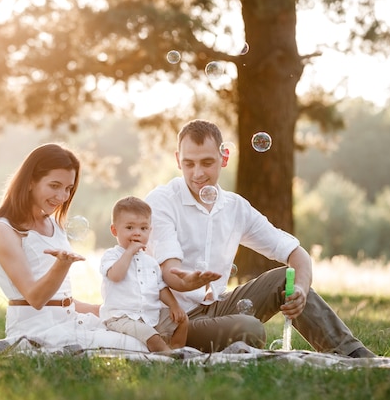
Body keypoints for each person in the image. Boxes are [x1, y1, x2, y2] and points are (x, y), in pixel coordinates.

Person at [144, 119, 377, 357]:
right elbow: (170, 274)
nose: (198, 173)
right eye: (189, 163)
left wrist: (300, 289)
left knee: (283, 280)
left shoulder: (235, 207)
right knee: (250, 329)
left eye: (207, 162)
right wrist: (188, 280)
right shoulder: (161, 202)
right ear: (177, 160)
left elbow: (296, 254)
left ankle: (355, 355)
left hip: (214, 308)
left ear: (224, 158)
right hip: (173, 321)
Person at [0, 143, 145, 351]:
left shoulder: (53, 225)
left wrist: (105, 311)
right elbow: (36, 298)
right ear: (30, 181)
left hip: (70, 322)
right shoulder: (4, 230)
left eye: (68, 189)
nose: (62, 197)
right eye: (54, 186)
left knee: (141, 335)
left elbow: (61, 301)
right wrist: (61, 265)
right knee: (133, 346)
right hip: (36, 330)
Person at [99, 196, 188, 352]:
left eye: (143, 228)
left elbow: (160, 288)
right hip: (121, 317)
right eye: (130, 227)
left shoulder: (151, 262)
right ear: (114, 230)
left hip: (149, 316)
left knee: (183, 320)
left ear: (150, 231)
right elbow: (116, 276)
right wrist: (130, 252)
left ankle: (177, 350)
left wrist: (174, 305)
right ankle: (169, 358)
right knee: (151, 336)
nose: (137, 233)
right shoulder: (111, 256)